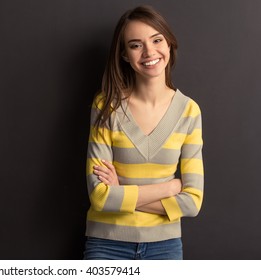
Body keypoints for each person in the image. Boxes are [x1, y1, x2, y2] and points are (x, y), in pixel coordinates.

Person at [83, 5, 204, 260]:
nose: (149, 52)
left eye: (157, 40)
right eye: (136, 45)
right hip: (106, 244)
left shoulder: (189, 111)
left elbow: (192, 202)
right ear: (125, 54)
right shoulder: (106, 106)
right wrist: (169, 187)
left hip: (165, 247)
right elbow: (100, 198)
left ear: (169, 44)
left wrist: (121, 193)